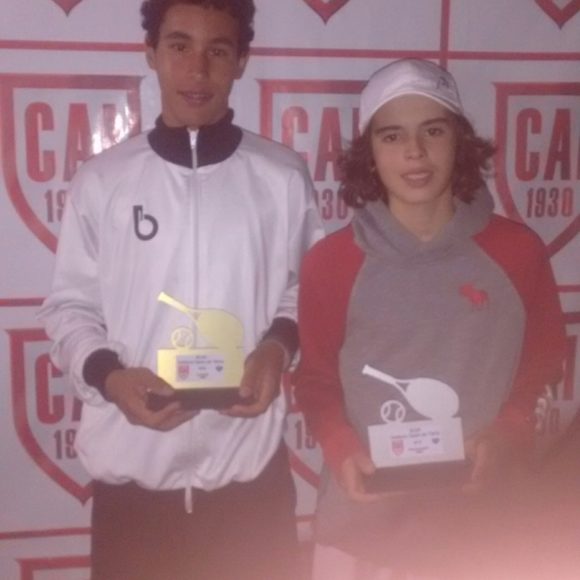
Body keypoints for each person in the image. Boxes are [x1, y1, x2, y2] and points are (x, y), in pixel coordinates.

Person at [38, 1, 323, 579]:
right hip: (134, 494)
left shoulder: (282, 176)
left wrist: (276, 349)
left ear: (241, 61)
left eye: (218, 50)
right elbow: (71, 308)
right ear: (151, 54)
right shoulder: (103, 181)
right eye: (179, 46)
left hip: (250, 486)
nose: (197, 69)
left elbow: (308, 291)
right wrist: (109, 377)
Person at [293, 59, 567, 580]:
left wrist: (506, 433)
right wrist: (342, 448)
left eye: (433, 131)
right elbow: (315, 380)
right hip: (366, 536)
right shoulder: (331, 263)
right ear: (370, 153)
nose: (415, 152)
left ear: (459, 141)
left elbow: (543, 362)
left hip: (488, 536)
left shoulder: (518, 252)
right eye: (392, 136)